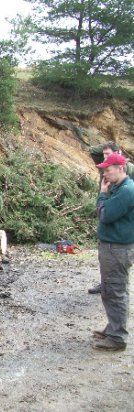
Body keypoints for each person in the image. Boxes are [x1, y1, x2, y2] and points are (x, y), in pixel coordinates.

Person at [92, 153, 134, 351]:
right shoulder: (116, 188)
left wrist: (102, 196)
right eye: (104, 171)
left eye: (108, 170)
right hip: (111, 246)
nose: (105, 174)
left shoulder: (127, 190)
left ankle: (117, 338)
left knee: (116, 291)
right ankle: (113, 328)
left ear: (121, 169)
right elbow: (101, 211)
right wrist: (104, 197)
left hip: (118, 248)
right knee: (109, 290)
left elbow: (105, 215)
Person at [87, 143, 134, 294]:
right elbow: (92, 151)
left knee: (118, 288)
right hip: (107, 207)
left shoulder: (127, 173)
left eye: (108, 154)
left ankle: (112, 287)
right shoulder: (107, 168)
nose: (104, 157)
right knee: (106, 259)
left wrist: (117, 154)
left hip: (119, 219)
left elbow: (109, 213)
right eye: (104, 154)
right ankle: (105, 283)